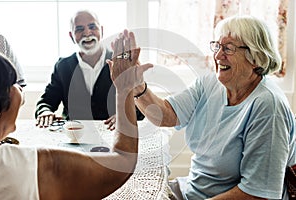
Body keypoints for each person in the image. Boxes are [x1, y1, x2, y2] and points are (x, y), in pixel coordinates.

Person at [114, 16, 296, 199]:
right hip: (191, 192)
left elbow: (258, 194)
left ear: (256, 57)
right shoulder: (210, 83)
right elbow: (166, 115)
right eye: (217, 46)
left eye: (228, 48)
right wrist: (137, 85)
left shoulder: (268, 107)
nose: (217, 56)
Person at [0, 30, 143, 199]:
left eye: (92, 27)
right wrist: (124, 88)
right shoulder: (24, 166)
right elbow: (122, 163)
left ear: (101, 31)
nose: (20, 89)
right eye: (13, 83)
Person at [35, 9, 144, 128]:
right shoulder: (62, 66)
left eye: (92, 27)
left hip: (112, 135)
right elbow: (46, 102)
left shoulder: (120, 62)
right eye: (79, 29)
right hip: (73, 138)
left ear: (101, 30)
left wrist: (125, 115)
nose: (87, 33)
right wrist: (44, 112)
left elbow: (140, 105)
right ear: (71, 36)